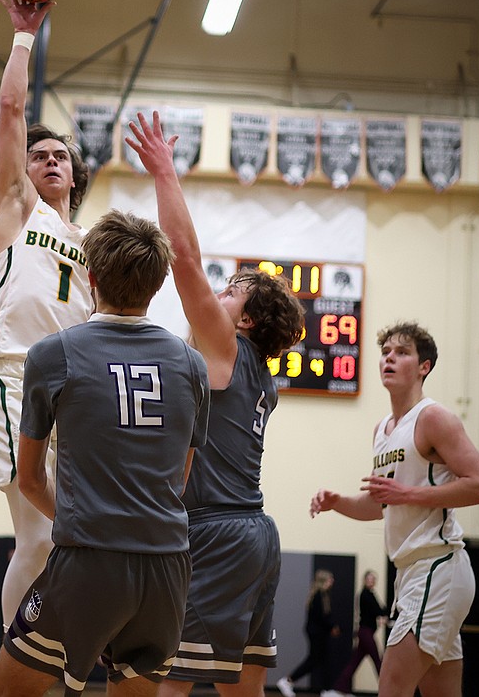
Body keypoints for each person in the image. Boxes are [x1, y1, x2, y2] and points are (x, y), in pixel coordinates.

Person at [0, 209, 211, 697]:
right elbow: (180, 478)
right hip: (168, 566)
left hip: (90, 559)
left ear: (91, 278)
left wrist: (76, 518)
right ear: (157, 286)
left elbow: (29, 480)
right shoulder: (192, 365)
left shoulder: (52, 353)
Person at [126, 111, 305, 697]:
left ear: (246, 320)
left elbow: (181, 257)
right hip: (256, 531)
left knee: (173, 681)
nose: (217, 293)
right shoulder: (258, 379)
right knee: (242, 687)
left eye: (231, 293)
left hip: (218, 531)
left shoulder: (230, 350)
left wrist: (163, 172)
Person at [310, 321, 479, 697]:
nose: (389, 359)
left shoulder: (433, 418)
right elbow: (381, 504)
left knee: (391, 685)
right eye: (385, 353)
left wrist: (409, 494)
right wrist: (338, 503)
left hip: (438, 565)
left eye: (402, 352)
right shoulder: (383, 429)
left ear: (423, 366)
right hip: (410, 572)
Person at [0, 0, 93, 630]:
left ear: (75, 175)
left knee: (66, 542)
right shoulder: (20, 212)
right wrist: (24, 37)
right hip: (20, 373)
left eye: (61, 157)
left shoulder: (92, 247)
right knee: (37, 536)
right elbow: (10, 108)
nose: (51, 161)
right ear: (23, 171)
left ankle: (54, 649)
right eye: (39, 155)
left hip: (76, 391)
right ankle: (12, 655)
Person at [277, 570, 342, 697]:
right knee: (314, 660)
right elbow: (320, 617)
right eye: (330, 579)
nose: (332, 581)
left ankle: (326, 690)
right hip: (316, 633)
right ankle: (288, 681)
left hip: (318, 632)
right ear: (323, 581)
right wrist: (332, 627)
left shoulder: (323, 595)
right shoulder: (318, 595)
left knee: (322, 660)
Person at [328, 569, 388, 696]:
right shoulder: (365, 594)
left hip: (367, 632)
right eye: (369, 579)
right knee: (378, 661)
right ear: (365, 580)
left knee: (354, 662)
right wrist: (385, 615)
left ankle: (340, 689)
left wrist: (384, 615)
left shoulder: (370, 594)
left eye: (373, 579)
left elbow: (379, 610)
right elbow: (378, 610)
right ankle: (387, 690)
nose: (371, 581)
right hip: (365, 632)